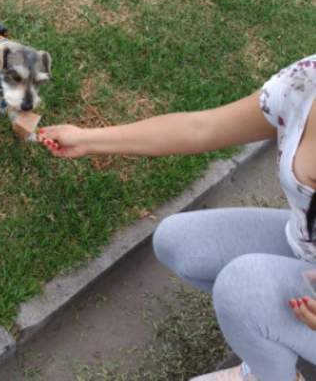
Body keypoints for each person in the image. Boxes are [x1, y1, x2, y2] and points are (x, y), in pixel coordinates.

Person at [39, 55, 316, 381]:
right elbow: (202, 128)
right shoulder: (307, 81)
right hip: (304, 248)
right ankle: (270, 361)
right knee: (180, 243)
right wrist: (87, 140)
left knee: (243, 287)